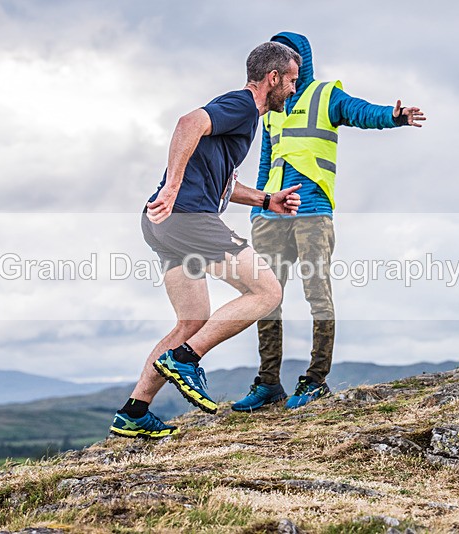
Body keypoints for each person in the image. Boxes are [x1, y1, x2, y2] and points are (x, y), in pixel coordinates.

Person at [109, 41, 305, 439]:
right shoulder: (244, 105)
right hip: (187, 217)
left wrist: (267, 200)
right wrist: (174, 186)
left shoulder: (237, 114)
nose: (294, 90)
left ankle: (134, 411)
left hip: (163, 224)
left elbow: (224, 181)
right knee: (267, 291)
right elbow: (187, 123)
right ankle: (185, 359)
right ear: (273, 78)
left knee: (192, 321)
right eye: (292, 81)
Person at [231, 32, 425, 412]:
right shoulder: (272, 106)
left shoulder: (325, 95)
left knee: (317, 293)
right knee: (264, 296)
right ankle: (269, 383)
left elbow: (360, 111)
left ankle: (316, 379)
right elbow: (267, 159)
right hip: (271, 214)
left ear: (300, 60)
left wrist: (393, 116)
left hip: (313, 211)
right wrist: (259, 206)